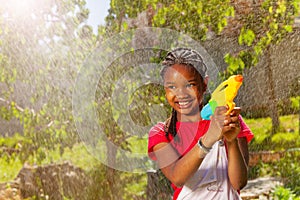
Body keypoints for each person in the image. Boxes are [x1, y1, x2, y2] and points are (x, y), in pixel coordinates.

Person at [148, 47, 253, 199]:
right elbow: (177, 177)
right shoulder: (161, 133)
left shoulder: (226, 118)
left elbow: (239, 183)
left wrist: (231, 141)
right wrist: (209, 138)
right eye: (172, 87)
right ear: (164, 90)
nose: (181, 94)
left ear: (204, 84)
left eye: (189, 85)